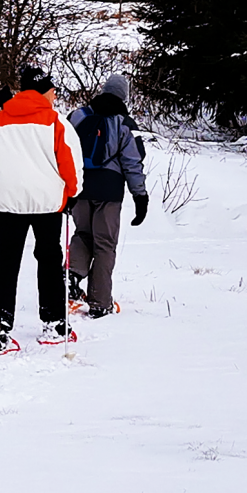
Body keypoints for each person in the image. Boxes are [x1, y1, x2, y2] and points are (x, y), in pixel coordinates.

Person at [0, 68, 83, 353]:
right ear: (43, 91)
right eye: (52, 89)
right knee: (49, 258)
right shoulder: (56, 122)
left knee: (5, 262)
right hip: (46, 203)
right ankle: (55, 322)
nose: (55, 94)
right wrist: (72, 192)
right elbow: (70, 164)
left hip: (8, 203)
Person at [66, 72, 149, 316]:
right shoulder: (125, 123)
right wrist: (140, 196)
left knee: (82, 234)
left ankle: (70, 278)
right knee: (104, 244)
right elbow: (133, 162)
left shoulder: (78, 116)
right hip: (110, 192)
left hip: (79, 187)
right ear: (124, 96)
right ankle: (100, 303)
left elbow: (62, 149)